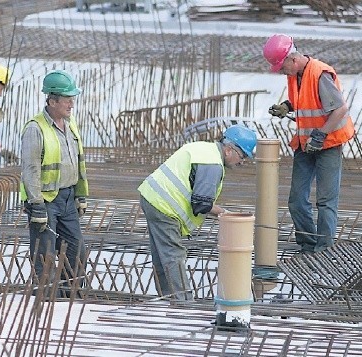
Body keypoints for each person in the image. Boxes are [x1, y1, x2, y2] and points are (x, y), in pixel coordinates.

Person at [138, 124, 257, 300]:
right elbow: (201, 204)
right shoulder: (213, 164)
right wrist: (225, 213)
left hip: (152, 198)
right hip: (164, 206)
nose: (242, 162)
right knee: (173, 256)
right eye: (242, 156)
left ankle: (167, 298)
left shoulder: (205, 149)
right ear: (229, 150)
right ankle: (183, 304)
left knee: (162, 255)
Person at [263, 34, 354, 254]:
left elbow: (340, 108)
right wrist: (286, 106)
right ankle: (307, 243)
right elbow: (303, 101)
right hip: (305, 144)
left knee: (325, 200)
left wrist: (321, 135)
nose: (281, 72)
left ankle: (323, 248)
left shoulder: (320, 73)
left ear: (292, 59)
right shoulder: (295, 75)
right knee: (296, 199)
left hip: (328, 143)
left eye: (282, 67)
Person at [20, 69, 89, 298]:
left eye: (72, 98)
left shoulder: (71, 124)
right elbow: (30, 170)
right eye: (67, 99)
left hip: (68, 198)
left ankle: (71, 297)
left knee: (77, 251)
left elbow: (77, 162)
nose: (72, 103)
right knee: (45, 254)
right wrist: (36, 204)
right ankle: (45, 299)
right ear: (52, 100)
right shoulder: (35, 128)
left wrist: (80, 195)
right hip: (46, 200)